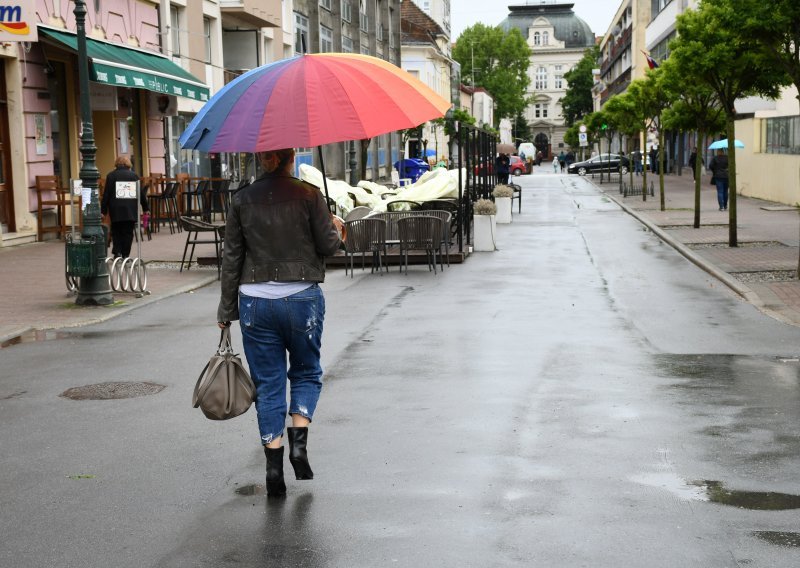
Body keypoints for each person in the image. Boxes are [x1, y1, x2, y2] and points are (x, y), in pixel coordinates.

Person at [217, 148, 342, 498]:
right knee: (305, 371)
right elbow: (329, 247)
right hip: (302, 297)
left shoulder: (241, 200)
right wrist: (335, 228)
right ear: (291, 158)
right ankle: (299, 445)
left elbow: (232, 257)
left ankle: (274, 469)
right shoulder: (309, 194)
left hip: (255, 301)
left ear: (262, 160)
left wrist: (226, 311)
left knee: (268, 383)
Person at [101, 155, 148, 258]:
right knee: (128, 232)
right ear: (128, 164)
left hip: (115, 209)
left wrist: (103, 210)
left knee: (116, 231)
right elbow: (141, 194)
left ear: (116, 164)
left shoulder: (111, 176)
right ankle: (125, 254)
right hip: (129, 210)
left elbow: (106, 194)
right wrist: (146, 208)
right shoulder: (133, 176)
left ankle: (117, 252)